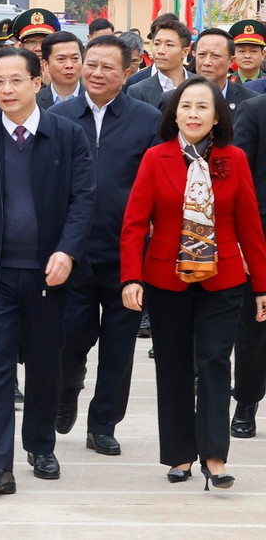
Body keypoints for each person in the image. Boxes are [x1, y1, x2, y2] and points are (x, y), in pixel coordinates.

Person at [0, 47, 95, 495]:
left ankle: (40, 444)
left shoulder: (67, 136)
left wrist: (67, 251)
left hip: (50, 275)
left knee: (45, 364)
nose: (6, 89)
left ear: (38, 81)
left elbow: (83, 200)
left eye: (16, 80)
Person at [121, 77, 266, 489]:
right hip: (166, 279)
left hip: (223, 280)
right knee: (174, 366)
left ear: (217, 117)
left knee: (215, 362)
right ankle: (181, 455)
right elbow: (133, 225)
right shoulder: (155, 158)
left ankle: (215, 457)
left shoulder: (234, 159)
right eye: (186, 106)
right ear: (174, 114)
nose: (194, 114)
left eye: (203, 107)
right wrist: (131, 277)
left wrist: (261, 286)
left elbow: (250, 227)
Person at [51, 35, 161, 456]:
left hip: (128, 257)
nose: (96, 73)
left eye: (107, 67)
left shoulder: (147, 119)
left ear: (128, 73)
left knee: (120, 346)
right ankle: (67, 390)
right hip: (72, 253)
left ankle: (103, 424)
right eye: (90, 64)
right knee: (70, 337)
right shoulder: (59, 116)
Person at [232, 89, 266, 438]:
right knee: (255, 324)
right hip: (261, 235)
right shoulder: (254, 110)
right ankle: (246, 399)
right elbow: (238, 181)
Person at [159, 28, 257, 118]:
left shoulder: (251, 101)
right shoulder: (172, 99)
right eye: (202, 55)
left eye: (215, 56)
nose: (207, 62)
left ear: (231, 61)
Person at [127, 17, 192, 107]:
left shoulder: (203, 86)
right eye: (157, 44)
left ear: (185, 52)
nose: (160, 51)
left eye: (169, 45)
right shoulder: (137, 91)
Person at [37, 31, 83, 108]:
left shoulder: (96, 98)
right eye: (61, 59)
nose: (69, 65)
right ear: (46, 65)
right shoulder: (34, 103)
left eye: (75, 58)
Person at [229, 19, 266, 91]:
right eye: (242, 51)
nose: (247, 56)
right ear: (234, 54)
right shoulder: (225, 83)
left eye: (253, 51)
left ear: (263, 54)